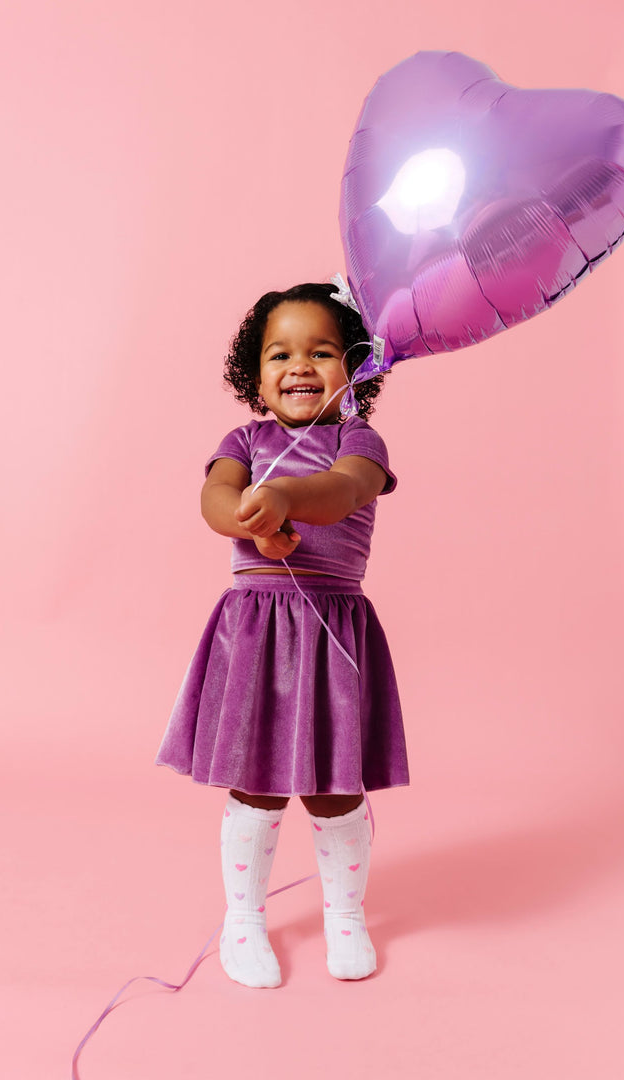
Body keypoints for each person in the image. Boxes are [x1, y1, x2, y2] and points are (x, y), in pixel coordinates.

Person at [156, 282, 409, 988]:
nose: (300, 365)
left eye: (321, 351)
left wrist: (286, 498)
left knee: (335, 787)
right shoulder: (242, 440)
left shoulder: (359, 440)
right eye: (280, 354)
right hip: (255, 635)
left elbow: (348, 489)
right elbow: (215, 497)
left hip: (330, 630)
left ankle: (345, 914)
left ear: (356, 366)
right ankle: (243, 920)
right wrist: (245, 515)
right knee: (256, 784)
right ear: (254, 373)